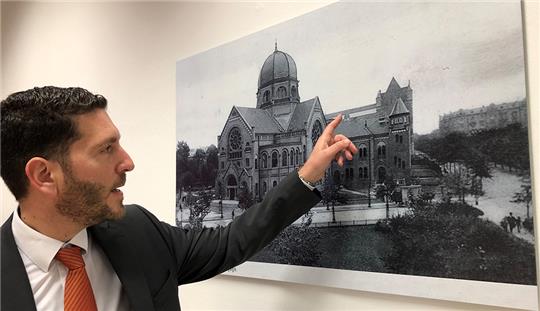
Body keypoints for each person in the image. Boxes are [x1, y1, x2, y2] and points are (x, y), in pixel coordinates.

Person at [0, 86, 357, 311]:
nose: (128, 162)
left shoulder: (137, 231)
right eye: (106, 149)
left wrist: (307, 173)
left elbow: (232, 240)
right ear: (44, 175)